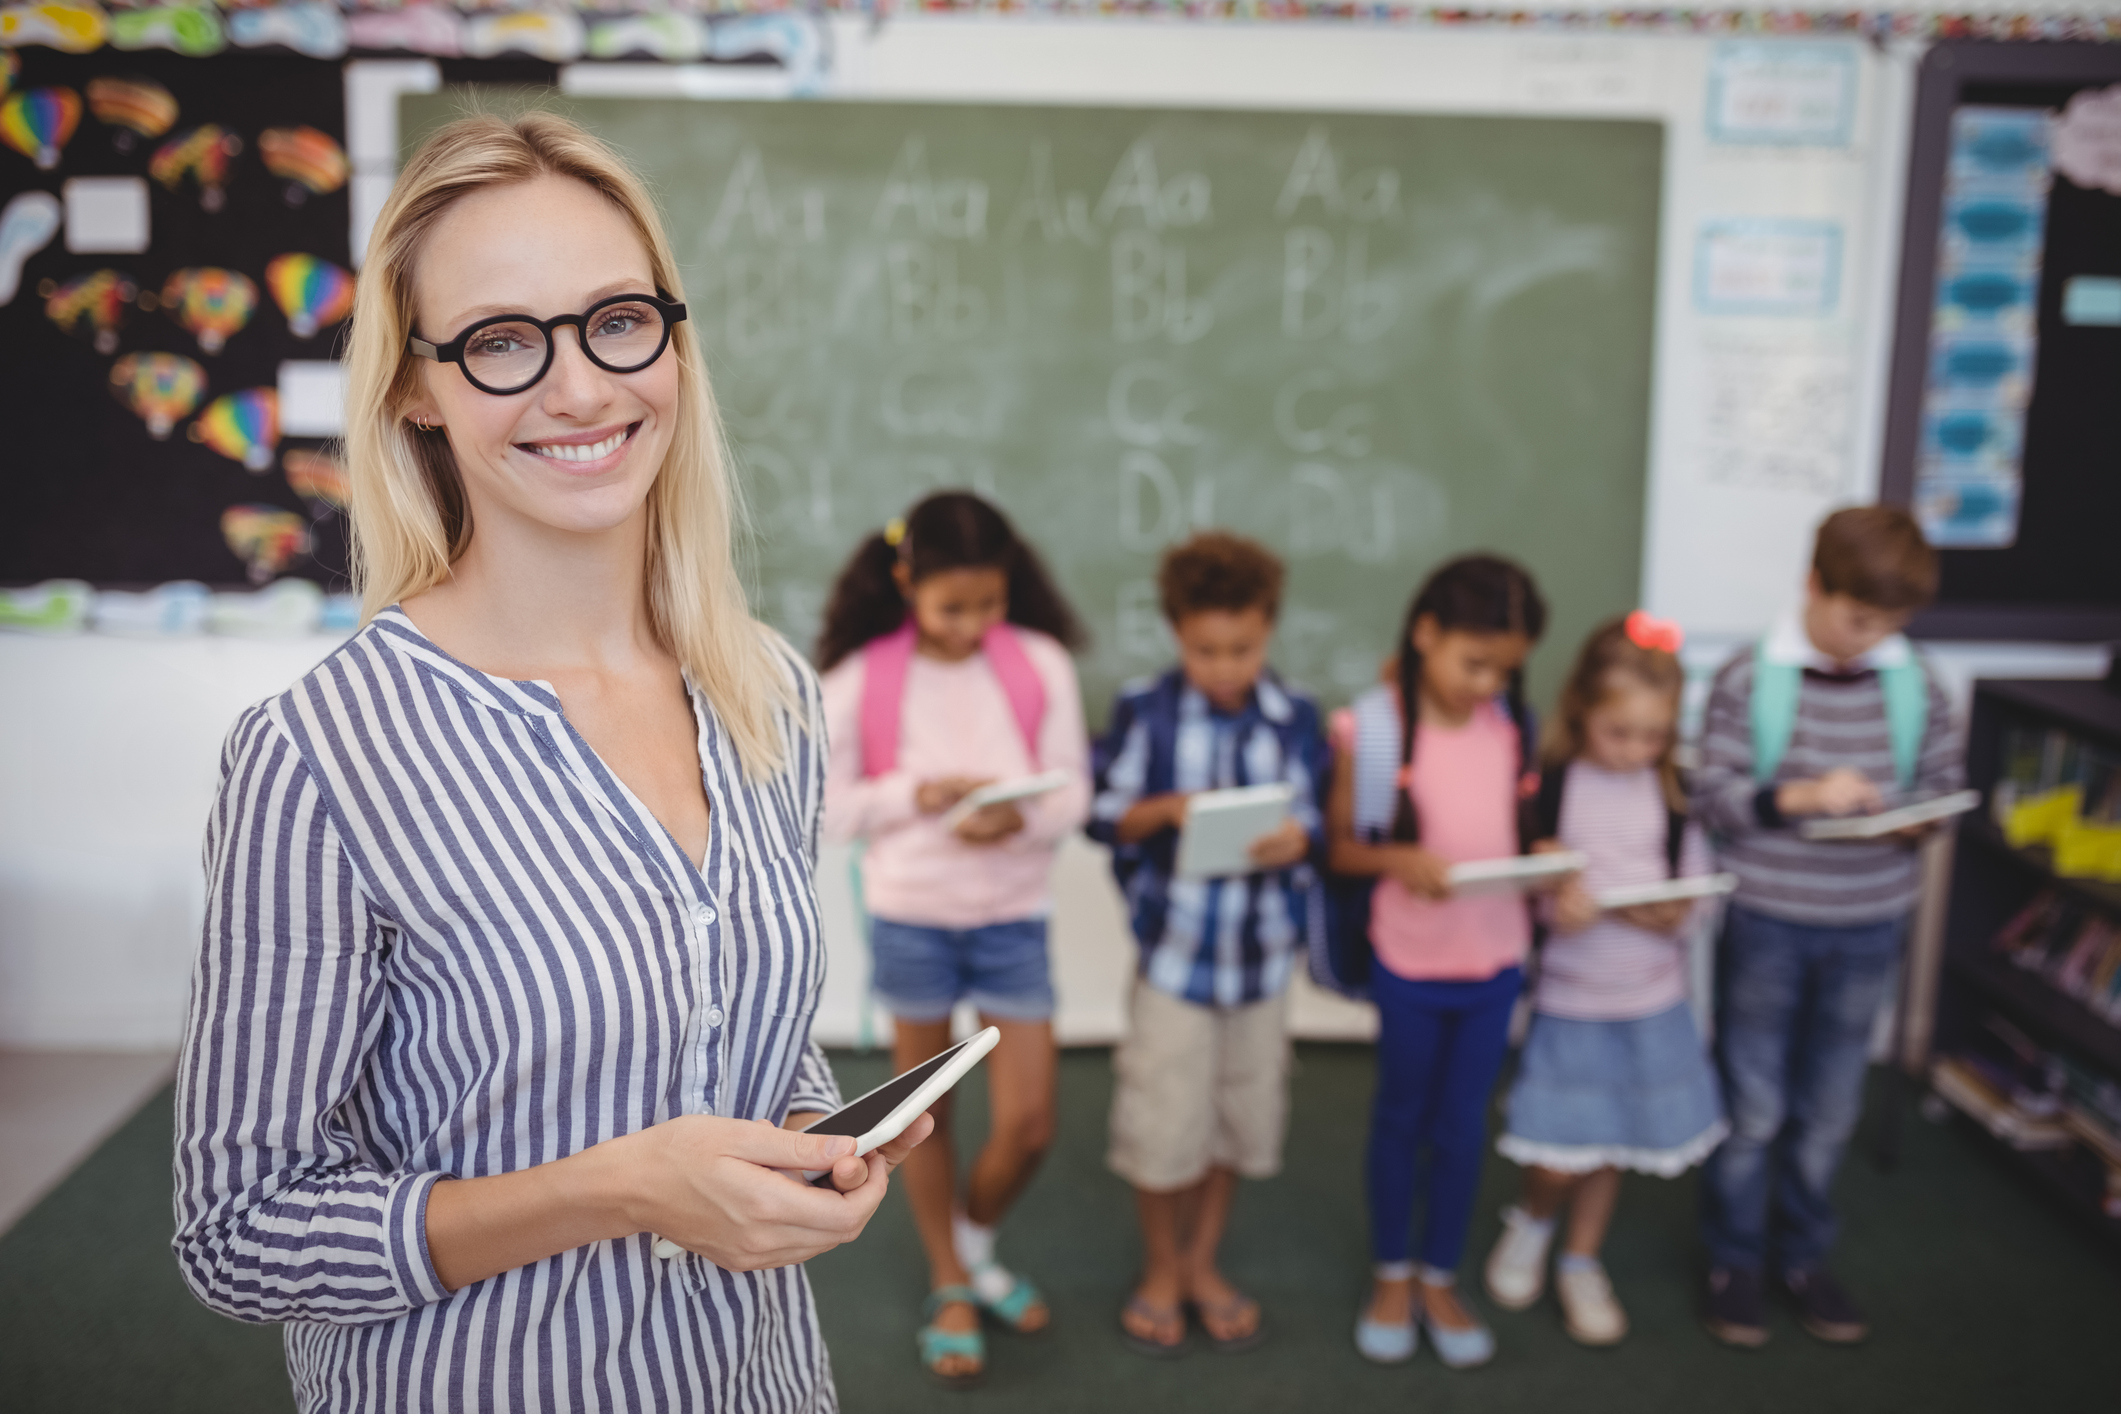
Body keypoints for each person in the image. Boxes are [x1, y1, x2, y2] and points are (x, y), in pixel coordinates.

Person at [170, 113, 928, 1414]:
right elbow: (240, 1233)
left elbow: (743, 1054)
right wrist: (625, 1185)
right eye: (504, 341)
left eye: (615, 319)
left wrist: (804, 1146)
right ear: (416, 385)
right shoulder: (320, 754)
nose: (580, 388)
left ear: (669, 339)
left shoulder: (770, 698)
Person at [816, 490, 1091, 1388]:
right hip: (913, 920)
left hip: (1014, 919)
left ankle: (971, 1245)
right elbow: (828, 809)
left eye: (989, 602)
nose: (973, 624)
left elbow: (1072, 794)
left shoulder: (1038, 663)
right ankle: (949, 1278)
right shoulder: (863, 678)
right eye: (952, 606)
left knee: (1031, 1122)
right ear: (906, 582)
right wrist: (918, 797)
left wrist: (1016, 822)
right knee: (921, 1115)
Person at [1693, 506, 1961, 1348]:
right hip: (1770, 919)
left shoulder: (1916, 683)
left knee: (1829, 1106)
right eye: (1855, 617)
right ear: (1813, 585)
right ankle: (1731, 1258)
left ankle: (1802, 1256)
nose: (1868, 637)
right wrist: (1801, 797)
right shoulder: (1748, 677)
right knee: (1754, 1105)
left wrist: (1915, 819)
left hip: (1870, 922)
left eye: (1889, 623)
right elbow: (1712, 796)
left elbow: (1943, 784)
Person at [1088, 531, 1324, 1359]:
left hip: (1260, 967)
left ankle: (1199, 1261)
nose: (1224, 666)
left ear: (1268, 631)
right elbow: (1106, 816)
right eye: (1204, 650)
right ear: (1175, 633)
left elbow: (1316, 819)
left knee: (1235, 1121)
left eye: (1242, 649)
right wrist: (1170, 808)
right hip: (1175, 963)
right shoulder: (1145, 711)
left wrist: (1297, 838)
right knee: (1163, 1125)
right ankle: (1159, 1263)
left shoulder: (1293, 716)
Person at [1329, 554, 1548, 1371]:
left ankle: (1438, 1275)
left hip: (1496, 962)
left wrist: (1547, 853)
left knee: (1463, 1128)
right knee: (1401, 1117)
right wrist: (1397, 862)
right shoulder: (1372, 728)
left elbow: (1518, 831)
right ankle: (1391, 1273)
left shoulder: (1510, 728)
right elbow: (1341, 848)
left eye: (1505, 669)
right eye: (1473, 662)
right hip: (1410, 965)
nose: (1486, 683)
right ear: (1425, 634)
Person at [1483, 613, 1727, 1346]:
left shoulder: (1675, 793)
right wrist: (1554, 894)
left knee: (1613, 1142)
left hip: (1650, 1002)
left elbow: (1693, 895)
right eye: (1618, 732)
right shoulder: (1551, 787)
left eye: (1651, 736)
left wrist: (1669, 915)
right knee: (1558, 1149)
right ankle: (1533, 1221)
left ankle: (1581, 1260)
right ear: (1582, 709)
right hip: (1569, 1002)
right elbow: (1520, 894)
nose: (1634, 751)